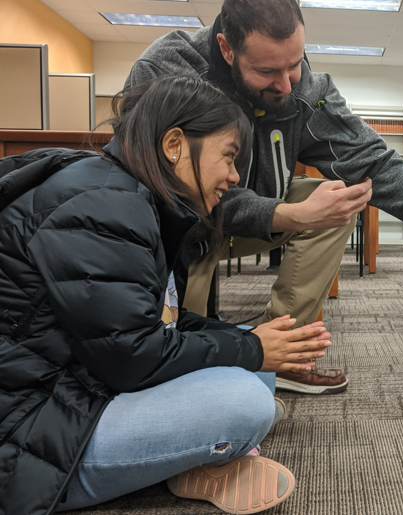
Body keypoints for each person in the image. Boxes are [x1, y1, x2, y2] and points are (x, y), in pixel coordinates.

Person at [0, 76, 335, 514]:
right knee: (246, 401)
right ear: (174, 144)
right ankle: (192, 455)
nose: (235, 178)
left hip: (75, 378)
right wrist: (251, 348)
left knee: (259, 368)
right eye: (230, 157)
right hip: (25, 424)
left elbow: (159, 320)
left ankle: (195, 451)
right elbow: (131, 354)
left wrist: (253, 340)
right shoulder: (104, 205)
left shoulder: (131, 196)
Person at [125, 0, 403, 395]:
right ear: (227, 48)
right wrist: (290, 215)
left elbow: (373, 160)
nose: (286, 84)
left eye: (295, 64)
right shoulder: (169, 70)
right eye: (267, 71)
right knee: (185, 374)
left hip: (256, 216)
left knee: (335, 199)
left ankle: (284, 351)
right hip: (184, 230)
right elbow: (174, 193)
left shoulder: (305, 90)